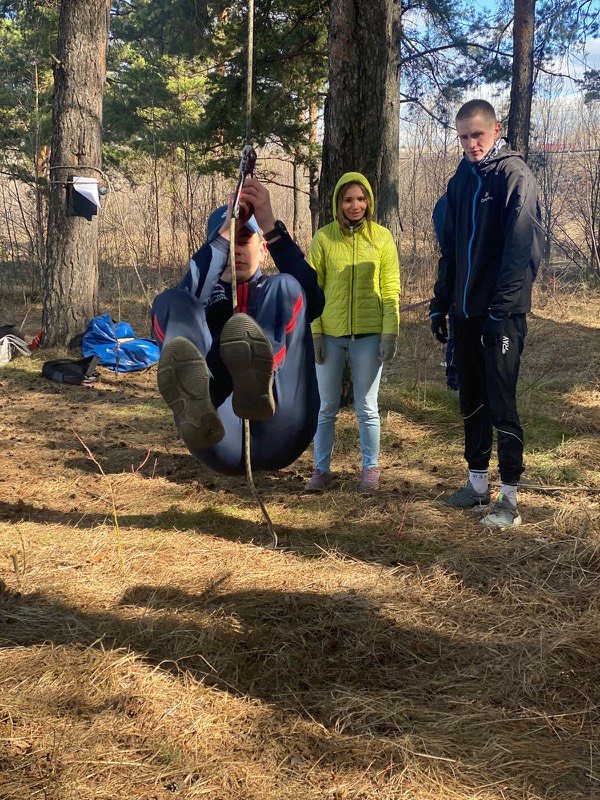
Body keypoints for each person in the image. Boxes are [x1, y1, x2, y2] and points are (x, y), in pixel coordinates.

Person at [151, 176, 325, 475]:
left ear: (263, 248)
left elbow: (315, 299)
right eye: (228, 242)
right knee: (171, 302)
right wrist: (223, 235)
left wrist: (270, 226)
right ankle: (197, 406)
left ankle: (260, 383)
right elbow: (184, 299)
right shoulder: (202, 300)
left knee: (285, 285)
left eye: (244, 240)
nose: (236, 250)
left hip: (284, 426)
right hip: (217, 434)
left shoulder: (273, 293)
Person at [429, 99, 543, 527]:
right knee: (471, 398)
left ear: (495, 130)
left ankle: (509, 497)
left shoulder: (514, 175)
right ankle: (477, 484)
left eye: (477, 135)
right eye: (463, 137)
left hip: (502, 315)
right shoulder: (461, 178)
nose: (471, 144)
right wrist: (441, 303)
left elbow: (520, 251)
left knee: (501, 401)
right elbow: (450, 249)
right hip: (465, 312)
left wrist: (502, 309)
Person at [305, 172, 400, 492]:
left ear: (369, 202)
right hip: (330, 335)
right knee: (326, 407)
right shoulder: (324, 238)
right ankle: (321, 470)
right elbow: (312, 290)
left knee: (367, 408)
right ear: (338, 203)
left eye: (361, 199)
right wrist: (316, 333)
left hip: (370, 335)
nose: (355, 205)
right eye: (348, 199)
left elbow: (391, 288)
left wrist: (390, 333)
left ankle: (370, 469)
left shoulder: (382, 238)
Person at [432, 193, 459, 392]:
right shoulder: (447, 202)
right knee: (458, 336)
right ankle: (454, 382)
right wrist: (438, 307)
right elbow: (448, 257)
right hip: (458, 291)